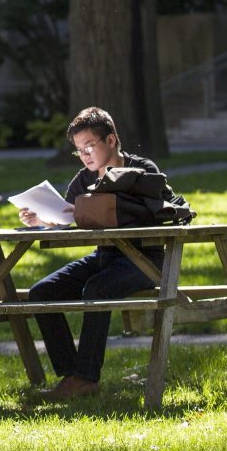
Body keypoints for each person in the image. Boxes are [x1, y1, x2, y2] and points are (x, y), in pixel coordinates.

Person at [18, 106, 164, 401]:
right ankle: (72, 375)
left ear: (111, 140)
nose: (84, 155)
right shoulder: (84, 178)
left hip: (144, 260)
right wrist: (41, 220)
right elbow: (66, 215)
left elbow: (157, 212)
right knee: (42, 292)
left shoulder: (142, 171)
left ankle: (85, 378)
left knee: (97, 288)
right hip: (105, 257)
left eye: (89, 147)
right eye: (79, 150)